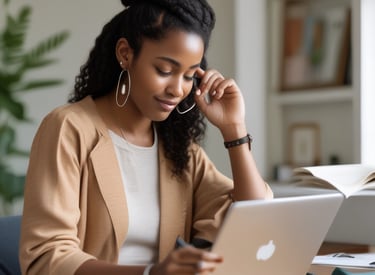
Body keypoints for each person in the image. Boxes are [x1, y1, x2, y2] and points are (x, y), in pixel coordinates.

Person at [19, 0, 273, 274]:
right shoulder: (69, 129)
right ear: (125, 54)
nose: (178, 89)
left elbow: (255, 219)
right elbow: (47, 258)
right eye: (165, 70)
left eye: (189, 76)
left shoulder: (179, 151)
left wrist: (234, 129)